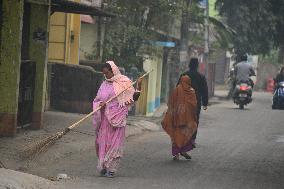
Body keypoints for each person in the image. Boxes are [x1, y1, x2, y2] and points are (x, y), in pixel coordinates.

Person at [93, 61, 142, 178]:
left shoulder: (124, 82)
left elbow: (133, 98)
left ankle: (112, 169)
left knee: (115, 144)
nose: (106, 76)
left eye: (107, 73)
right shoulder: (104, 84)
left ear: (113, 70)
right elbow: (97, 100)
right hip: (105, 119)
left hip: (118, 119)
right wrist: (101, 104)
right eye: (104, 74)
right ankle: (104, 166)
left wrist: (139, 86)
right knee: (102, 143)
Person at [162, 75, 198, 160]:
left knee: (176, 135)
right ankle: (183, 151)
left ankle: (176, 154)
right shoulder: (192, 91)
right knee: (185, 135)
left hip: (176, 117)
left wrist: (172, 113)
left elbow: (171, 102)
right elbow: (194, 105)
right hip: (188, 119)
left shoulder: (177, 89)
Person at [178, 58, 208, 142]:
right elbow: (205, 91)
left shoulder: (184, 75)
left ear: (189, 65)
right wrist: (205, 103)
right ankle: (192, 139)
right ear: (197, 66)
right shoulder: (201, 77)